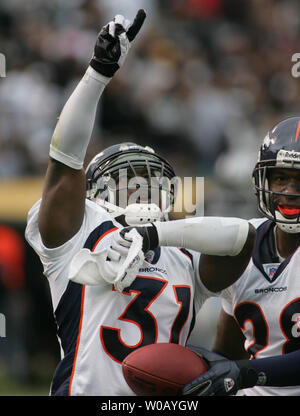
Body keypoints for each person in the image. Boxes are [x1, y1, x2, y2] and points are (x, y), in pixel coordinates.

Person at [25, 10, 255, 396]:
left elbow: (243, 238)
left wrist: (152, 234)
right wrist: (98, 73)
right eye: (127, 182)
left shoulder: (183, 251)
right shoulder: (80, 232)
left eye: (151, 183)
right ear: (96, 191)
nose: (141, 191)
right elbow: (64, 161)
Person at [183, 116, 300, 396]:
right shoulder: (244, 241)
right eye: (281, 177)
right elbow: (227, 353)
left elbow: (239, 369)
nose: (289, 191)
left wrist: (244, 373)